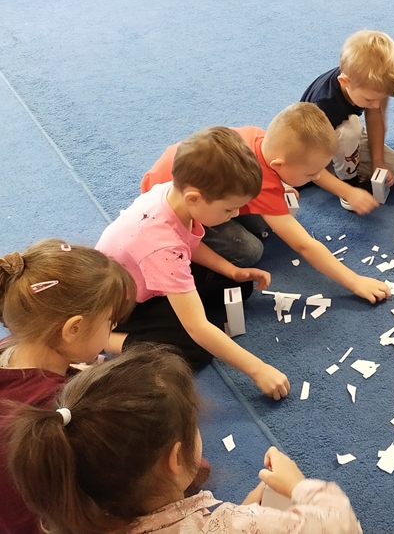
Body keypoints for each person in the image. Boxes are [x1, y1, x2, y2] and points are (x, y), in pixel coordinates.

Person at [4, 346, 362, 534]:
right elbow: (339, 525)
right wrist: (301, 487)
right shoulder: (231, 527)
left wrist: (243, 515)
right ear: (175, 458)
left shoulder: (67, 517)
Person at [96, 127, 291, 399]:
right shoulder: (161, 244)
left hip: (150, 274)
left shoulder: (172, 195)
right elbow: (196, 326)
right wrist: (258, 369)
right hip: (122, 310)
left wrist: (232, 270)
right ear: (194, 198)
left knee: (238, 286)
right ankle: (103, 339)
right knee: (193, 349)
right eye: (228, 209)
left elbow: (188, 244)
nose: (236, 214)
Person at [141, 104, 391, 303]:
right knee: (250, 251)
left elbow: (297, 174)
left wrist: (342, 190)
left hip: (187, 175)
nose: (316, 177)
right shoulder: (263, 183)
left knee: (266, 220)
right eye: (310, 175)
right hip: (177, 203)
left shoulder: (262, 138)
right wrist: (354, 281)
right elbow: (304, 245)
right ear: (278, 165)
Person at [0, 239, 135, 534]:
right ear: (73, 328)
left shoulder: (8, 348)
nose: (112, 328)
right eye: (110, 321)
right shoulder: (62, 412)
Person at [300, 30, 394, 213]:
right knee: (351, 128)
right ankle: (347, 180)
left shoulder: (362, 82)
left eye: (380, 99)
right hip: (312, 149)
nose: (376, 105)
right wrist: (348, 191)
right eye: (370, 99)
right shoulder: (324, 106)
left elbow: (375, 117)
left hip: (342, 135)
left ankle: (342, 169)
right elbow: (307, 161)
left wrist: (378, 161)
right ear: (345, 82)